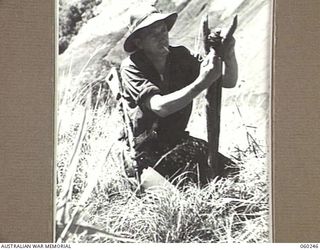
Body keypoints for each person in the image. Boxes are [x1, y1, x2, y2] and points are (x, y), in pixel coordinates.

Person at [120, 5, 238, 188]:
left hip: (177, 141)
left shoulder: (181, 56)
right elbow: (160, 107)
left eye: (163, 30)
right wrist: (201, 83)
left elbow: (228, 81)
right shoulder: (132, 67)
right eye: (153, 34)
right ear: (138, 43)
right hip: (146, 154)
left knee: (233, 174)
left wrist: (228, 54)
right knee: (176, 199)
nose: (162, 36)